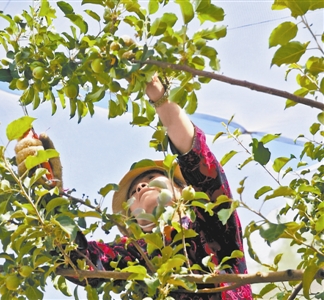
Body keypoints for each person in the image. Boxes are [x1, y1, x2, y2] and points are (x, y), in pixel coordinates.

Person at [15, 74, 253, 299]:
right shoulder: (138, 255)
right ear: (133, 223)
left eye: (151, 179)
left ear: (183, 190)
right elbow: (83, 261)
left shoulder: (211, 223)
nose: (140, 188)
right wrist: (46, 194)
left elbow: (201, 164)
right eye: (133, 193)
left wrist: (159, 96)